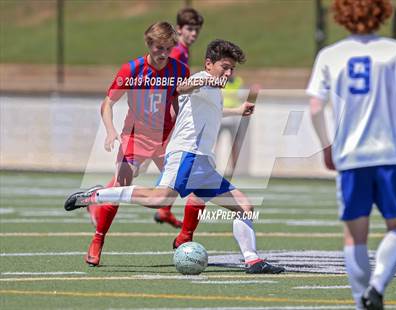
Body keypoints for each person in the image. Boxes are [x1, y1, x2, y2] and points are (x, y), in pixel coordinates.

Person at [66, 39, 285, 274]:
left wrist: (238, 111)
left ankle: (252, 260)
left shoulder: (214, 90)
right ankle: (96, 195)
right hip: (186, 155)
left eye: (233, 69)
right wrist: (207, 79)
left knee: (244, 206)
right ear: (209, 64)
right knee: (158, 200)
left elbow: (212, 111)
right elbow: (184, 87)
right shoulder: (202, 80)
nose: (229, 73)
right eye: (225, 67)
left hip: (203, 164)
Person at [306, 0, 396, 309]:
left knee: (354, 236)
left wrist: (327, 146)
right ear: (382, 12)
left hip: (351, 155)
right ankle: (378, 287)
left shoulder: (330, 55)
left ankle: (361, 302)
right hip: (392, 153)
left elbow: (315, 107)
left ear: (342, 14)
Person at [83, 22, 190, 267]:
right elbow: (108, 103)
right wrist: (110, 131)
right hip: (135, 137)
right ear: (148, 44)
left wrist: (179, 128)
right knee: (121, 186)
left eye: (168, 48)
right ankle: (98, 239)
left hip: (165, 138)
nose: (163, 53)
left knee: (185, 185)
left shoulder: (180, 70)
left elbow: (177, 100)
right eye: (158, 48)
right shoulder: (132, 69)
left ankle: (184, 236)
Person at [153, 7, 205, 227]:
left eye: (196, 30)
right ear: (179, 29)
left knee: (174, 165)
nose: (193, 34)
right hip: (163, 117)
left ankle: (164, 208)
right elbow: (165, 83)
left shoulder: (182, 50)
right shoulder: (176, 52)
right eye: (190, 29)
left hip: (168, 115)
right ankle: (98, 202)